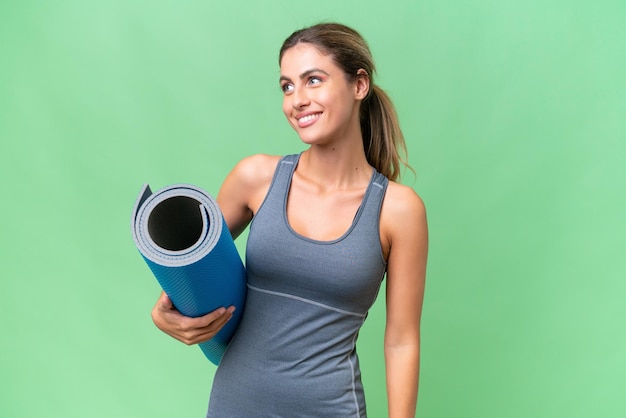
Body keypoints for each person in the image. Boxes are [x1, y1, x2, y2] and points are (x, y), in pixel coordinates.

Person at [151, 22, 428, 417]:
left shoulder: (398, 210)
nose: (297, 100)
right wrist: (164, 314)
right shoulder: (255, 179)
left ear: (359, 85)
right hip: (234, 405)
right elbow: (187, 263)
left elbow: (401, 341)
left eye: (313, 80)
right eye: (287, 86)